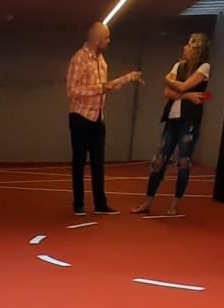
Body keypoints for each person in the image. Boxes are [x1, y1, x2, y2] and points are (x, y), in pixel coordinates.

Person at [66, 23, 142, 215]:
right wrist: (100, 89)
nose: (109, 42)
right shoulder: (79, 59)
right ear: (97, 39)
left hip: (98, 117)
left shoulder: (102, 61)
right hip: (80, 116)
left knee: (98, 163)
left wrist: (127, 78)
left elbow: (107, 86)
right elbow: (72, 90)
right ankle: (78, 204)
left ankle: (100, 204)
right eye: (106, 38)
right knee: (79, 161)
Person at [133, 33, 209, 217]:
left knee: (183, 161)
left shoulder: (204, 67)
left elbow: (179, 87)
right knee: (159, 161)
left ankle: (174, 205)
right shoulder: (178, 65)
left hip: (188, 121)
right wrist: (187, 95)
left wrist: (172, 83)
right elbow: (168, 92)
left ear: (197, 49)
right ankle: (147, 202)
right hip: (172, 120)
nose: (185, 47)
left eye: (189, 45)